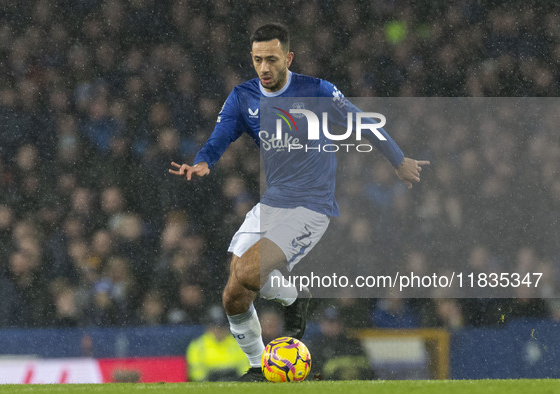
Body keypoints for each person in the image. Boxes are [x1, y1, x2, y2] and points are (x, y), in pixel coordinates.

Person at [170, 23, 429, 381]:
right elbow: (220, 136)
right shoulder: (243, 97)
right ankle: (259, 366)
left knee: (247, 272)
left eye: (272, 59)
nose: (264, 68)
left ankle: (293, 298)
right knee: (232, 293)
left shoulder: (317, 91)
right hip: (271, 204)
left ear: (288, 58)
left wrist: (398, 160)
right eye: (258, 59)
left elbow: (362, 123)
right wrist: (203, 161)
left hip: (310, 207)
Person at [186, 305, 250, 381]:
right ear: (208, 327)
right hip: (208, 386)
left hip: (234, 384)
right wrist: (209, 379)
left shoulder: (240, 345)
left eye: (221, 326)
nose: (218, 330)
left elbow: (245, 368)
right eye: (214, 326)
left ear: (227, 327)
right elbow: (196, 372)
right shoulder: (197, 345)